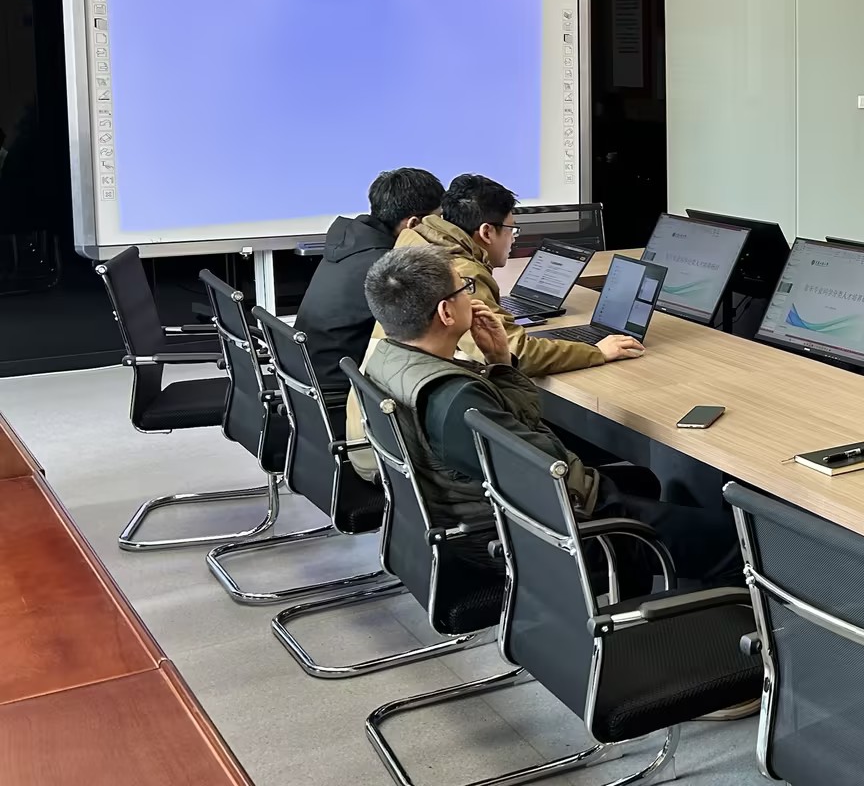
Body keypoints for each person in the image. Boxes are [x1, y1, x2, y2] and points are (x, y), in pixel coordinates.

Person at [358, 246, 742, 586]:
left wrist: (500, 361)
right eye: (465, 289)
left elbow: (520, 444)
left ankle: (636, 598)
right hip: (534, 537)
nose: (472, 298)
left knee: (640, 481)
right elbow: (553, 473)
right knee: (737, 543)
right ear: (446, 312)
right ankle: (705, 632)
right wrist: (603, 497)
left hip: (473, 519)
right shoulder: (457, 399)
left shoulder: (389, 360)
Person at [345, 174, 640, 479]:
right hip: (417, 464)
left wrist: (500, 357)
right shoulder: (453, 270)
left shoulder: (418, 242)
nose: (514, 238)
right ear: (487, 231)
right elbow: (519, 357)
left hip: (385, 445)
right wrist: (595, 351)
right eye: (512, 229)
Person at [295, 168, 445, 401]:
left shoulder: (351, 245)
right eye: (439, 219)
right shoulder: (389, 267)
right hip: (341, 394)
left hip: (307, 382)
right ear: (414, 224)